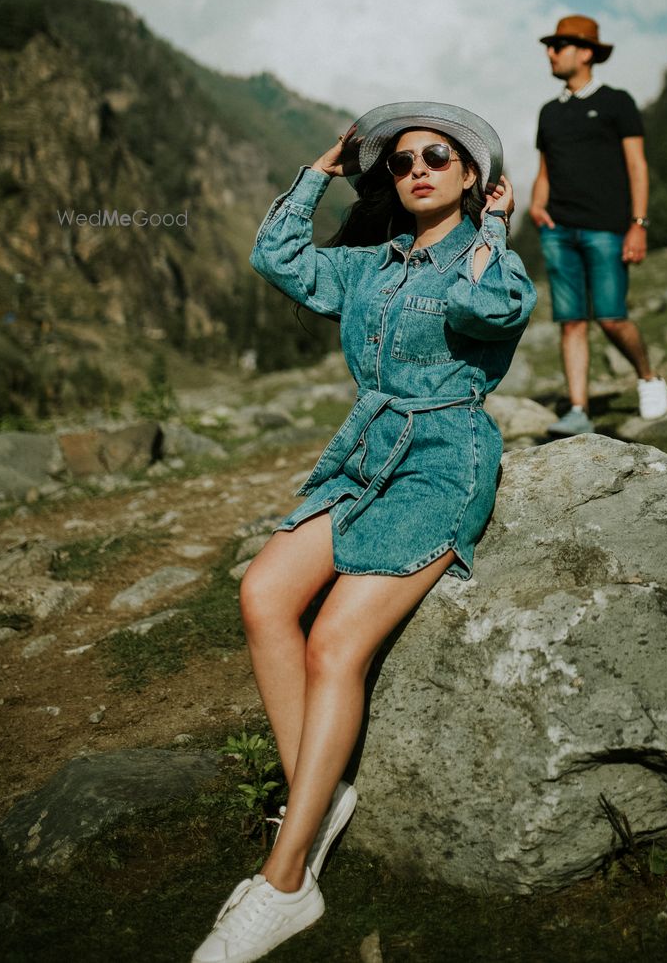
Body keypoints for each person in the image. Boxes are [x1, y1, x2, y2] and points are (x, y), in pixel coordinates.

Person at [191, 102, 536, 963]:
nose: (417, 168)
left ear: (468, 175)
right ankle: (323, 788)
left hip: (439, 461)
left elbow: (490, 311)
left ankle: (285, 883)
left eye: (438, 157)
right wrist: (322, 170)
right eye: (403, 159)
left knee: (332, 647)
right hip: (363, 452)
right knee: (263, 594)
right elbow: (276, 257)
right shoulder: (368, 267)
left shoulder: (490, 260)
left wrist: (494, 226)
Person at [530, 15, 667, 435]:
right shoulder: (549, 112)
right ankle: (578, 410)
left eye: (559, 45)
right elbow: (544, 169)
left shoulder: (617, 103)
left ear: (586, 52)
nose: (550, 53)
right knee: (571, 321)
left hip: (607, 229)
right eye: (550, 46)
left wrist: (638, 224)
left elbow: (636, 165)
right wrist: (537, 205)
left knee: (610, 317)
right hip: (559, 229)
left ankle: (648, 376)